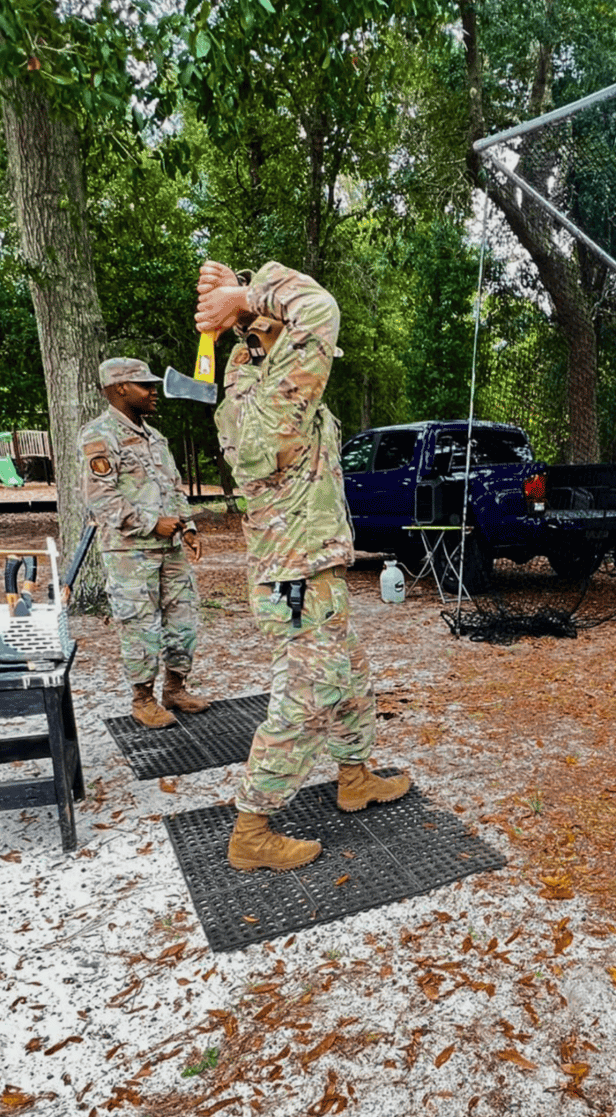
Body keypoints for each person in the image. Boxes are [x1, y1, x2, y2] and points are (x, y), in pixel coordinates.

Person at [195, 260, 410, 872]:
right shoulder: (270, 400)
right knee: (305, 698)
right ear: (273, 335)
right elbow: (318, 309)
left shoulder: (250, 379)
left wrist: (234, 301)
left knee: (350, 679)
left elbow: (280, 327)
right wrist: (241, 297)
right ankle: (252, 828)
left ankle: (354, 775)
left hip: (310, 570)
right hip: (295, 577)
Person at [78, 358, 206, 728]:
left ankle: (176, 689)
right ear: (119, 388)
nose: (153, 392)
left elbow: (173, 486)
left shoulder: (155, 436)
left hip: (171, 548)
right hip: (130, 552)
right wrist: (153, 524)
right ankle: (143, 699)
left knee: (183, 621)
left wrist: (188, 526)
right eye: (144, 386)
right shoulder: (99, 435)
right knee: (139, 625)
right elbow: (101, 499)